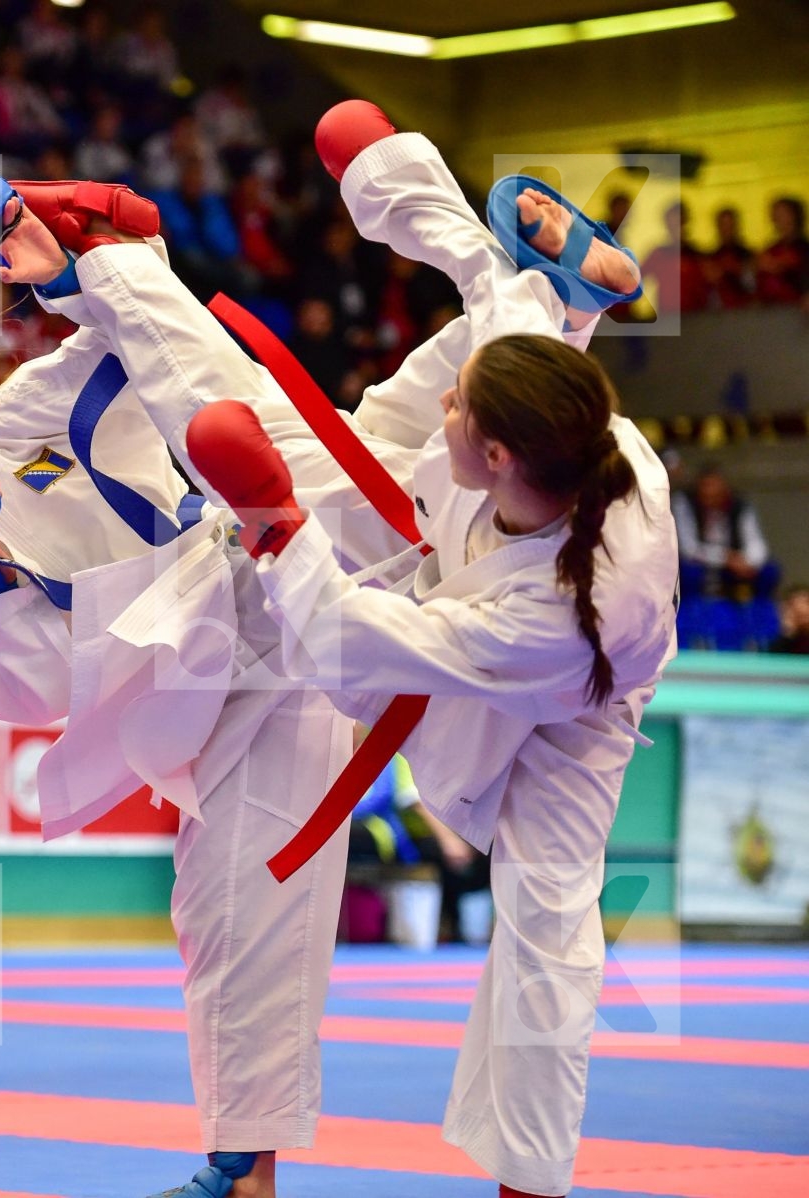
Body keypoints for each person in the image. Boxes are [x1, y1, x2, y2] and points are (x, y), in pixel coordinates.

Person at [0, 178, 418, 1198]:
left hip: (270, 598)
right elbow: (24, 700)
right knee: (224, 909)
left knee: (246, 901)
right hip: (199, 701)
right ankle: (247, 1165)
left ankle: (243, 1169)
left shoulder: (12, 425)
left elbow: (128, 347)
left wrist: (84, 256)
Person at [184, 105, 675, 1198]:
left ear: (493, 456)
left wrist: (273, 521)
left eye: (458, 407)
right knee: (492, 317)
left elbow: (359, 642)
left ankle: (529, 1183)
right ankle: (577, 297)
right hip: (489, 539)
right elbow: (481, 270)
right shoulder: (547, 419)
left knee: (549, 911)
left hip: (573, 707)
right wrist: (383, 166)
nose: (439, 394)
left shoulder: (545, 621)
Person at [675, 465, 778, 604]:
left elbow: (756, 543)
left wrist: (748, 562)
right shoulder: (684, 504)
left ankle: (758, 616)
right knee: (689, 572)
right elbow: (688, 548)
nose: (710, 495)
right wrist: (725, 558)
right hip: (700, 563)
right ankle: (694, 615)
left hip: (735, 565)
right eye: (706, 489)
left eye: (716, 491)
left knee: (769, 571)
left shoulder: (740, 506)